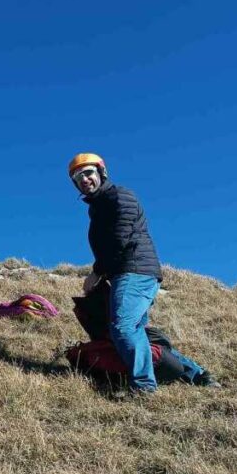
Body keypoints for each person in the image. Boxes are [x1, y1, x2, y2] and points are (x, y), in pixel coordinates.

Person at [68, 154, 219, 393]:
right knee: (138, 334)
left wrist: (96, 273)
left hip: (135, 271)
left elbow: (120, 239)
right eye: (78, 177)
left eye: (88, 173)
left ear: (101, 172)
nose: (84, 179)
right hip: (123, 273)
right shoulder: (99, 206)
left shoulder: (119, 196)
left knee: (123, 328)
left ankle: (143, 386)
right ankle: (197, 374)